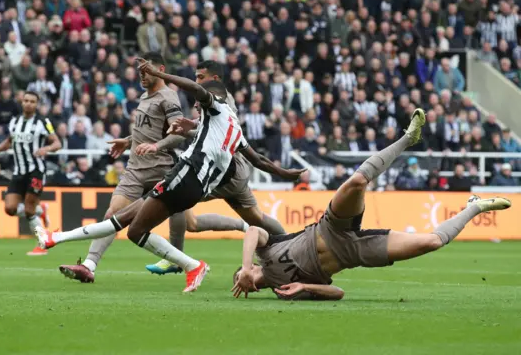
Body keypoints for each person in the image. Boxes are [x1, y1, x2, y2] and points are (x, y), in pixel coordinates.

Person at [37, 61, 275, 292]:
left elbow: (182, 131)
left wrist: (158, 145)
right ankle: (83, 259)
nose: (141, 76)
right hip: (146, 168)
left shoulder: (208, 100)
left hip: (176, 169)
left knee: (179, 223)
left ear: (159, 70)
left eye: (146, 71)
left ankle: (189, 259)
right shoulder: (148, 98)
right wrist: (130, 141)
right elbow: (177, 128)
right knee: (120, 219)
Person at [231, 110, 512, 300]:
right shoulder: (285, 289)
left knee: (356, 182)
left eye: (244, 276)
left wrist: (244, 266)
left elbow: (254, 230)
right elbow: (338, 292)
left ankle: (407, 138)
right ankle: (474, 207)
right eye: (244, 285)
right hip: (354, 254)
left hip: (329, 228)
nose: (247, 281)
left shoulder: (265, 253)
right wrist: (305, 286)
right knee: (431, 243)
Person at [145, 61, 299, 275]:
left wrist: (161, 76)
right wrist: (191, 128)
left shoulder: (220, 98)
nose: (197, 81)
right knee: (252, 218)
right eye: (196, 77)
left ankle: (176, 258)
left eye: (200, 77)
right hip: (235, 169)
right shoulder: (217, 101)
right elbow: (216, 130)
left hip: (225, 169)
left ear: (214, 79)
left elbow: (221, 132)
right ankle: (290, 249)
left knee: (174, 198)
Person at [0, 91, 60, 256]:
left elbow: (57, 142)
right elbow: (9, 141)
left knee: (29, 209)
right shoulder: (14, 121)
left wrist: (46, 148)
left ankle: (43, 245)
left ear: (37, 104)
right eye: (26, 100)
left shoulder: (43, 122)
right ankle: (41, 210)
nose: (28, 104)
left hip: (36, 171)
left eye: (32, 101)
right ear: (21, 102)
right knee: (10, 208)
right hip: (18, 172)